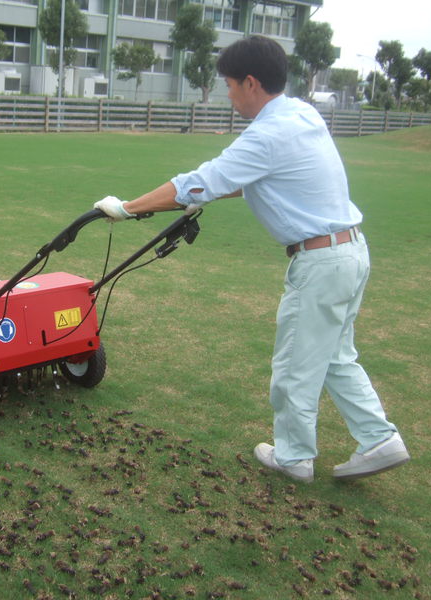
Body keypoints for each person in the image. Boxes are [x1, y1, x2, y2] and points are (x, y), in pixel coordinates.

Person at [93, 35, 409, 483]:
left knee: (295, 363)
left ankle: (294, 455)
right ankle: (379, 439)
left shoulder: (267, 134)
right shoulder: (302, 114)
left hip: (321, 261)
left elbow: (200, 181)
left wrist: (127, 208)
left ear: (251, 83)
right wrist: (209, 193)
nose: (227, 93)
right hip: (350, 252)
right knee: (336, 356)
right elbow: (256, 179)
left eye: (229, 84)